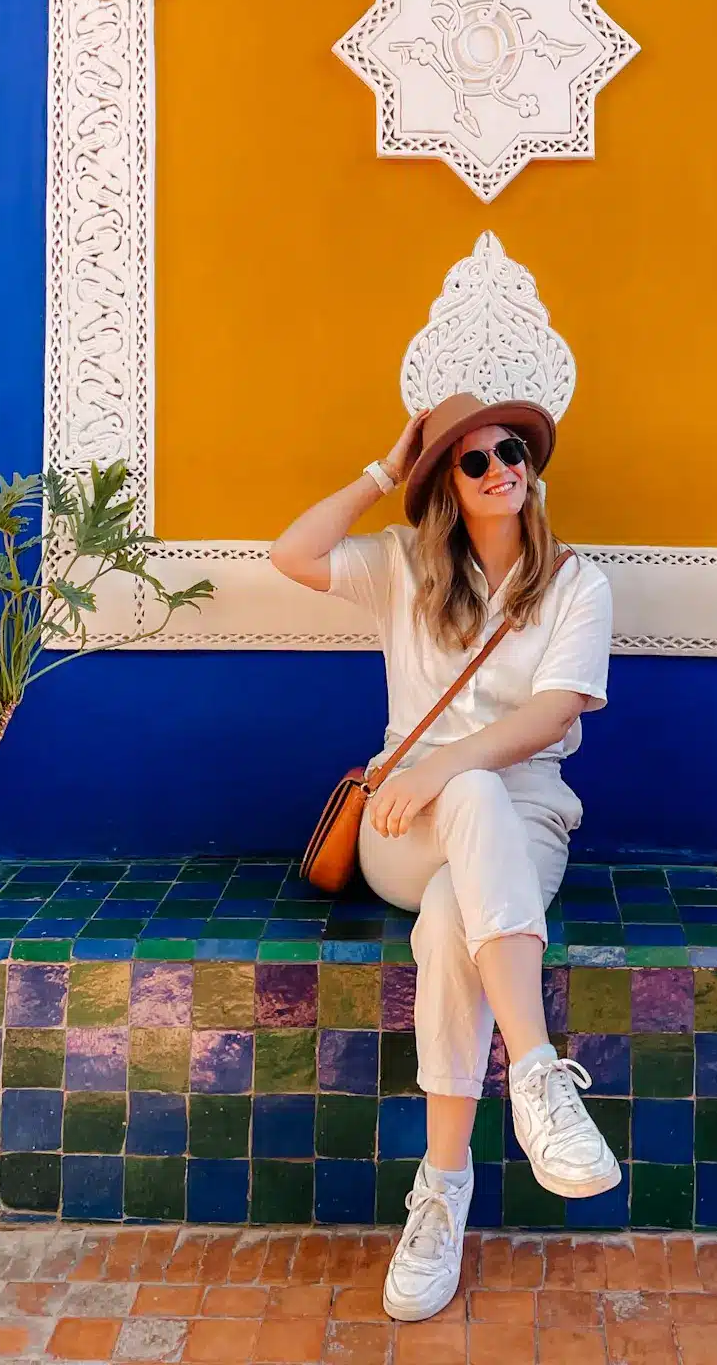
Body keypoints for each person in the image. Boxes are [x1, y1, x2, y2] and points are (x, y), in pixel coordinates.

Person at [270, 391, 618, 1322]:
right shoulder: (402, 567)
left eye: (511, 449)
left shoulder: (578, 582)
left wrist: (451, 765)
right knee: (461, 803)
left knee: (452, 927)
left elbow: (552, 715)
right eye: (472, 461)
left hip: (526, 814)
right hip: (402, 826)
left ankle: (443, 1188)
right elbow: (292, 553)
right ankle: (538, 1072)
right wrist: (387, 470)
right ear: (446, 487)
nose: (502, 466)